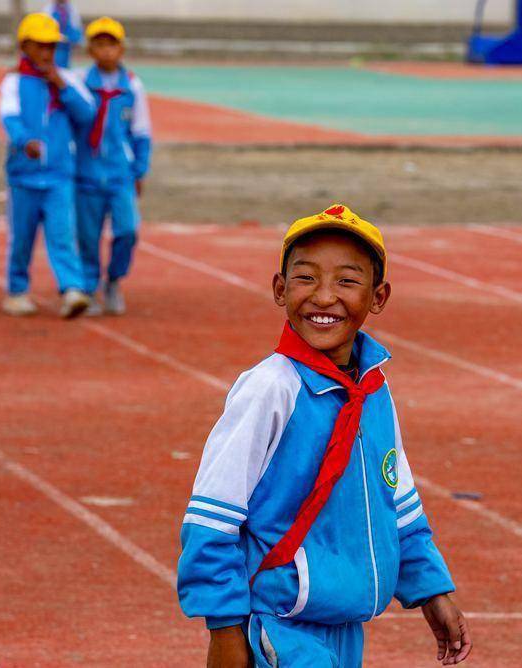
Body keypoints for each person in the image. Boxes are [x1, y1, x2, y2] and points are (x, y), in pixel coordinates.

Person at [177, 204, 473, 667]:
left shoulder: (374, 389)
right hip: (277, 623)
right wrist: (224, 630)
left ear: (378, 297)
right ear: (280, 289)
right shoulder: (270, 389)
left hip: (343, 626)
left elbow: (397, 497)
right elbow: (212, 515)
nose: (324, 297)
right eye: (306, 278)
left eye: (347, 282)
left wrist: (431, 588)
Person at [0, 13, 94, 318]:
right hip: (24, 176)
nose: (46, 53)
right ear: (25, 46)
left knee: (62, 234)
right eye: (40, 46)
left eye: (51, 47)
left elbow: (87, 112)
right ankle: (16, 289)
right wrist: (25, 141)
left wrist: (60, 84)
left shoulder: (67, 79)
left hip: (59, 176)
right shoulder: (14, 81)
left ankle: (72, 289)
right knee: (22, 237)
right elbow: (9, 116)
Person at [73, 17, 151, 316]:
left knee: (128, 230)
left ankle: (114, 280)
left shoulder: (131, 85)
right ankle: (89, 286)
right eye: (99, 44)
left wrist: (139, 170)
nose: (106, 51)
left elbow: (142, 132)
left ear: (122, 48)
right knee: (87, 236)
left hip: (120, 174)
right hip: (86, 173)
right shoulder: (80, 82)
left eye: (112, 44)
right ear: (90, 49)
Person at [43, 0, 82, 68]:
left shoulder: (72, 11)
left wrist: (73, 38)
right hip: (52, 47)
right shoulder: (47, 10)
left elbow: (77, 30)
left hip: (66, 49)